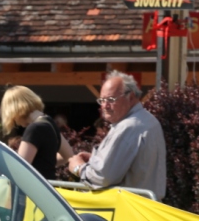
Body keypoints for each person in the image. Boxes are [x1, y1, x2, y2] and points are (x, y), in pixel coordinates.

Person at [66, 71, 167, 200]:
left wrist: (79, 168)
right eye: (102, 100)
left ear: (131, 97)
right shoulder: (148, 120)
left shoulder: (128, 126)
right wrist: (96, 159)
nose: (105, 106)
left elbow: (103, 177)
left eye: (110, 100)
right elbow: (132, 166)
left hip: (126, 207)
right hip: (144, 205)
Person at [0, 86, 73, 180]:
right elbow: (68, 155)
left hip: (34, 186)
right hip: (48, 184)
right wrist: (46, 163)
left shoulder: (34, 129)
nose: (16, 122)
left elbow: (20, 168)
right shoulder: (50, 123)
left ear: (14, 110)